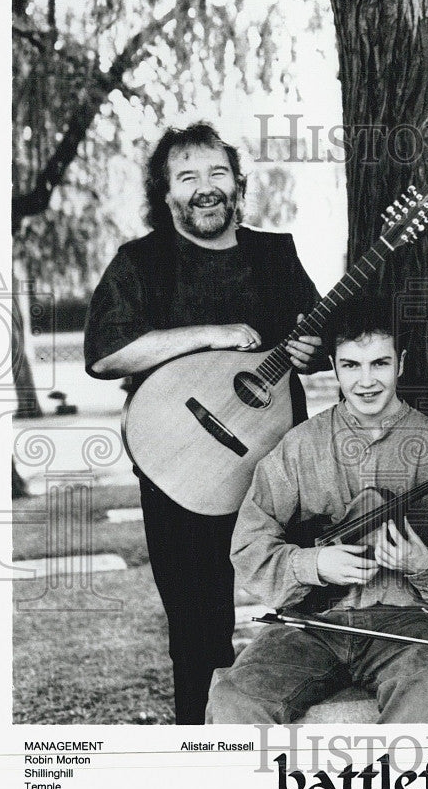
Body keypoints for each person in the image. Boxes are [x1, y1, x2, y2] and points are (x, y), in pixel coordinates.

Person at [83, 122, 325, 724]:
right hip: (179, 469)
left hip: (274, 461)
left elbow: (320, 341)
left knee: (312, 603)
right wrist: (208, 335)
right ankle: (198, 757)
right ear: (166, 197)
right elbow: (106, 352)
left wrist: (312, 349)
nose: (205, 188)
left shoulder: (275, 254)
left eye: (217, 173)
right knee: (197, 631)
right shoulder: (142, 262)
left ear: (238, 184)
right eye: (187, 177)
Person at [206, 310, 428, 724]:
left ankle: (394, 788)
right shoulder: (298, 446)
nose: (365, 381)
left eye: (380, 364)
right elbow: (249, 543)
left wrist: (425, 566)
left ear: (401, 363)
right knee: (236, 698)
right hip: (309, 624)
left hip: (405, 626)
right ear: (333, 366)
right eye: (351, 365)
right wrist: (313, 563)